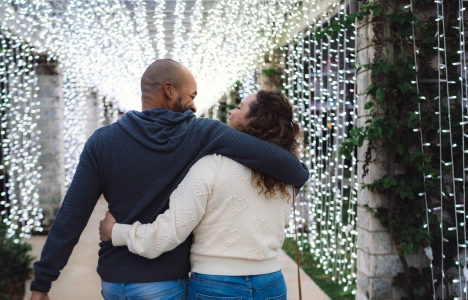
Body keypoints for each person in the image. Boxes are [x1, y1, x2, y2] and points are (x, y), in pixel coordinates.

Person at [30, 59, 310, 300]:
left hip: (114, 279)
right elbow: (290, 168)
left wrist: (42, 283)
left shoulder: (102, 141)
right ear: (169, 90)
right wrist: (298, 174)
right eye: (191, 95)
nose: (195, 105)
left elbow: (71, 216)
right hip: (167, 280)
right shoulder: (202, 134)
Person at [99, 90, 302, 300]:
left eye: (240, 107)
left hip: (217, 286)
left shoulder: (212, 165)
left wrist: (116, 232)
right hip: (271, 284)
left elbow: (168, 234)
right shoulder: (286, 177)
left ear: (256, 121)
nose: (231, 112)